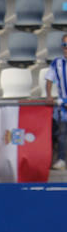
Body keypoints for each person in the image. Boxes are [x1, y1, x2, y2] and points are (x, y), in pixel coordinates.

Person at [46, 36, 67, 170]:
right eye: (64, 44)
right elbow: (49, 79)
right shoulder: (57, 62)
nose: (66, 48)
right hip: (63, 105)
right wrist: (49, 96)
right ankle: (61, 159)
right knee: (62, 133)